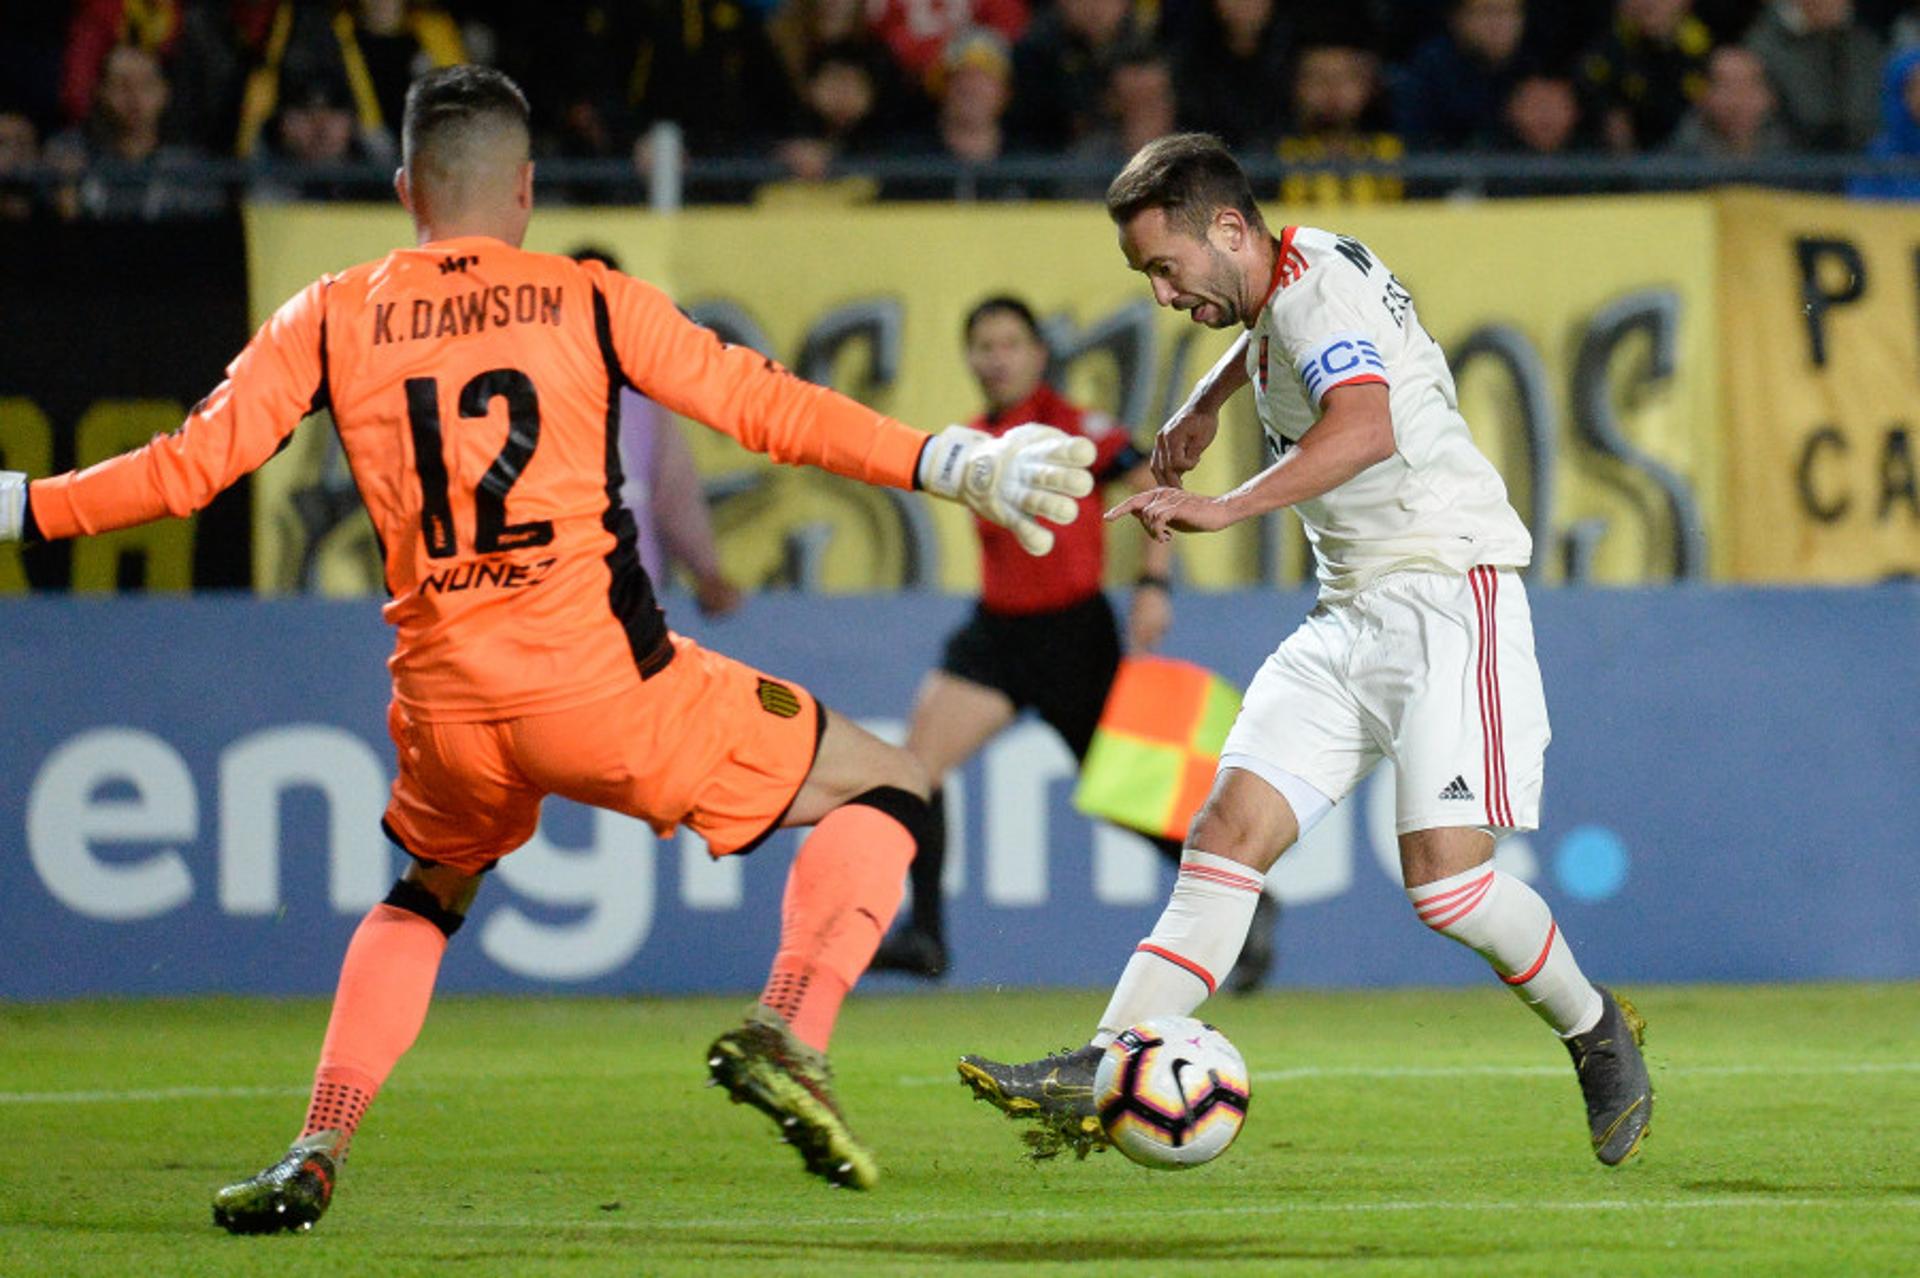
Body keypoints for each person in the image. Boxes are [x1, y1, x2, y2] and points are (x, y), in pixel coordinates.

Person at [0, 65, 1097, 1229]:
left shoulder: (327, 311)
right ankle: (790, 1026)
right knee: (893, 783)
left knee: (426, 895)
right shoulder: (584, 297)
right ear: (523, 189)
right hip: (608, 688)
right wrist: (949, 460)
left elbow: (186, 473)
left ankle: (316, 1145)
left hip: (449, 711)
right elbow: (759, 402)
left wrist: (20, 505)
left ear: (405, 185)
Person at [955, 134, 1652, 1170]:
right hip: (1350, 614)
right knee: (1226, 832)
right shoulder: (1302, 258)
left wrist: (1224, 504)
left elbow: (1363, 426)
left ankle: (1597, 1031)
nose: (1161, 294)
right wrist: (1206, 403)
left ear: (1228, 230)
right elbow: (1275, 328)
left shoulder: (1315, 292)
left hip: (1447, 598)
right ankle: (1103, 1067)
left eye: (1164, 268)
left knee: (1447, 889)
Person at [870, 294, 1283, 990]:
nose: (996, 358)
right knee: (915, 768)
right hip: (997, 635)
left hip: (1073, 635)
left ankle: (1248, 900)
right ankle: (927, 935)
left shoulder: (1074, 429)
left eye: (1009, 343)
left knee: (1131, 796)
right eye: (984, 345)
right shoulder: (973, 442)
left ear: (1037, 354)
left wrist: (1154, 584)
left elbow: (1153, 481)